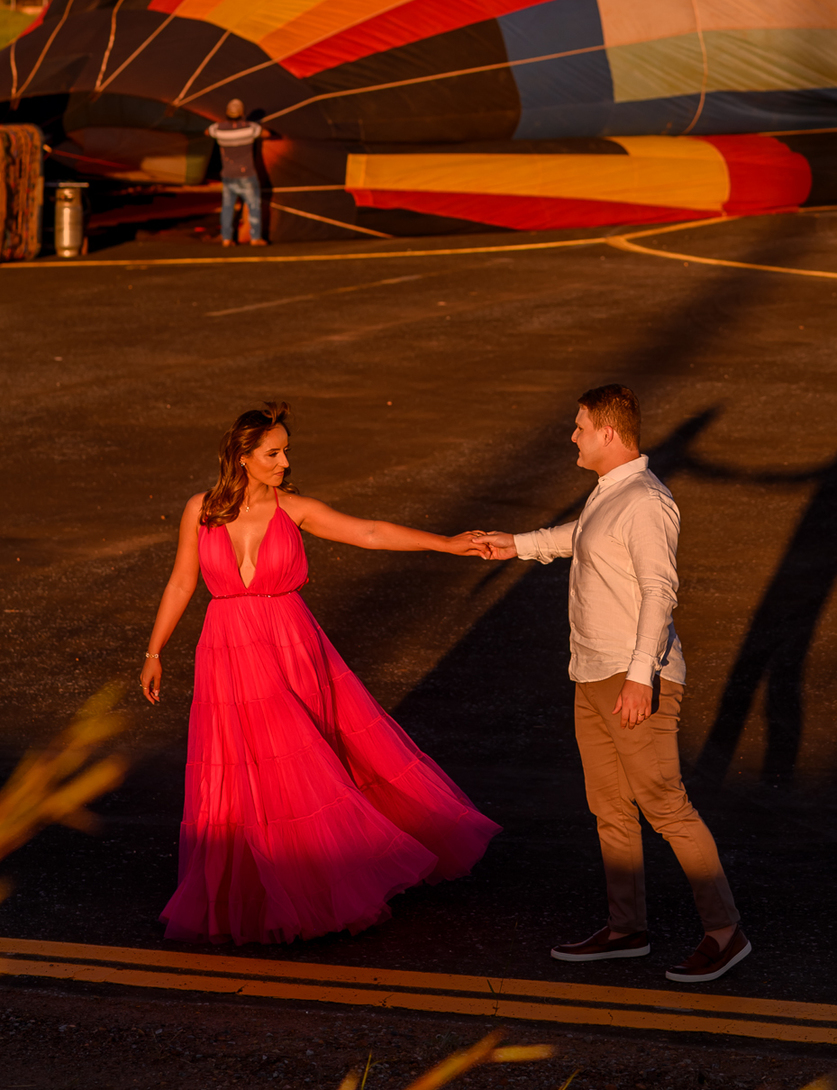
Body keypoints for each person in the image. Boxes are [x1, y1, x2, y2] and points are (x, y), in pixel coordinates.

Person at [140, 402, 499, 945]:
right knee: (244, 768)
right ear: (243, 457)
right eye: (273, 453)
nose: (285, 461)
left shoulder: (295, 508)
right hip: (227, 650)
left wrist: (445, 543)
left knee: (301, 760)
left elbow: (371, 532)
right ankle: (264, 890)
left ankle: (321, 883)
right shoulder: (202, 509)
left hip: (290, 644)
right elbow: (181, 583)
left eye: (285, 451)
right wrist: (154, 651)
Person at [481, 385, 749, 986]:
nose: (572, 437)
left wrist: (639, 678)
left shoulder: (647, 502)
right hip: (590, 673)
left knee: (665, 805)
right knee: (609, 809)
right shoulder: (612, 494)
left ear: (608, 433)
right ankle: (626, 929)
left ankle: (725, 933)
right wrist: (515, 545)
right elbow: (580, 538)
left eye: (579, 428)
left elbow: (660, 591)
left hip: (632, 680)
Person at [206, 98, 267, 246]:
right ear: (242, 113)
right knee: (253, 206)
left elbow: (207, 132)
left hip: (228, 174)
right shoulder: (250, 128)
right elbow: (266, 133)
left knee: (227, 207)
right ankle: (255, 238)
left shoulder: (218, 129)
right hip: (247, 173)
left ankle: (226, 239)